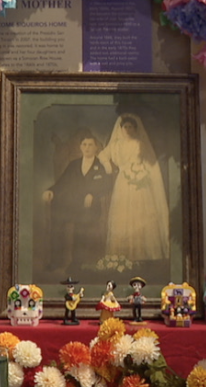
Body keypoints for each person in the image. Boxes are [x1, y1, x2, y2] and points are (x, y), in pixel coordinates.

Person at [97, 113, 171, 262]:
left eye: (131, 127)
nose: (128, 130)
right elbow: (102, 155)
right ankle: (124, 255)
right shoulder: (116, 145)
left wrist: (142, 174)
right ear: (121, 129)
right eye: (125, 127)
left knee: (140, 215)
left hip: (140, 183)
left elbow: (148, 162)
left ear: (135, 129)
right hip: (123, 181)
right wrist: (107, 166)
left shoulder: (140, 143)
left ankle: (143, 254)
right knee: (123, 215)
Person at [43, 132, 113, 271]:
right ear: (80, 147)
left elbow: (107, 185)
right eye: (84, 144)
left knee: (81, 229)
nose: (87, 148)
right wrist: (50, 190)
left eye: (90, 145)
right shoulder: (74, 164)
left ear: (96, 147)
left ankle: (76, 264)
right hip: (72, 205)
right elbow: (62, 182)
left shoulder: (101, 165)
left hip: (89, 208)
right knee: (57, 221)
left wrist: (93, 194)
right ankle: (56, 261)